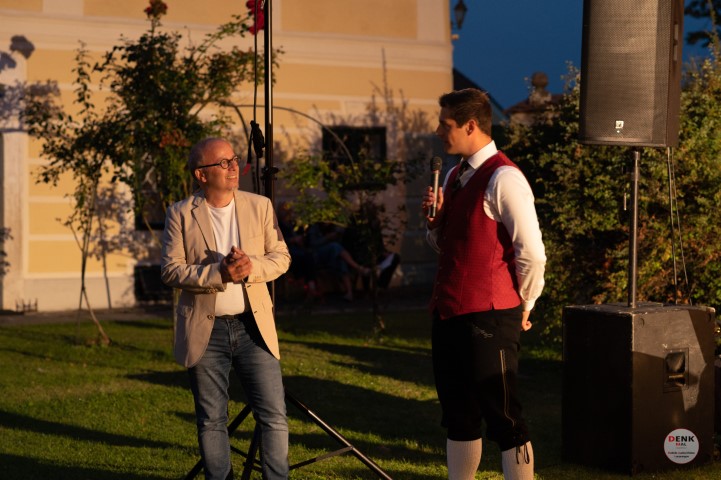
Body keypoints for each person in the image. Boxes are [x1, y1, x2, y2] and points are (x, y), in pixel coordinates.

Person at [421, 89, 546, 480]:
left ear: (470, 125)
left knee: (504, 417)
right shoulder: (455, 175)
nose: (439, 131)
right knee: (458, 414)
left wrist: (526, 302)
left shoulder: (505, 177)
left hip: (491, 315)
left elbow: (532, 252)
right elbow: (451, 246)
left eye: (446, 124)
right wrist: (435, 225)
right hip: (448, 311)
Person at [161, 137, 291, 480]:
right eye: (223, 163)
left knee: (273, 415)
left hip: (253, 327)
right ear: (201, 175)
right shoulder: (180, 213)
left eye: (234, 160)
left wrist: (251, 267)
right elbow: (170, 270)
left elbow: (281, 257)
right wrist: (220, 273)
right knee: (211, 420)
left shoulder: (260, 205)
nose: (233, 167)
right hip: (206, 330)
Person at [306, 222, 369, 301]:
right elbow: (313, 244)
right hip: (318, 255)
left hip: (333, 255)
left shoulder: (334, 227)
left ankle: (349, 293)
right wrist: (327, 238)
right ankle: (358, 268)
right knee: (335, 247)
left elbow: (340, 240)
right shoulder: (315, 227)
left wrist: (337, 235)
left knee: (341, 260)